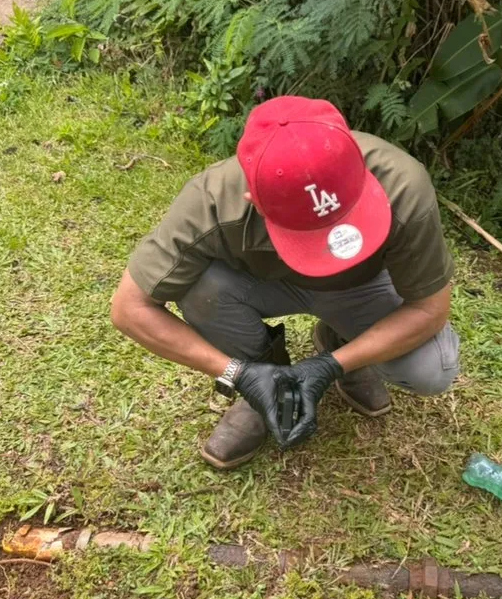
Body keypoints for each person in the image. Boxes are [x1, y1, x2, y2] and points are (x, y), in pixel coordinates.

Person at [110, 96, 460, 469]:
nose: (325, 247)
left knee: (431, 367)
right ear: (254, 201)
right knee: (200, 289)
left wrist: (332, 365)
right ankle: (267, 384)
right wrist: (239, 375)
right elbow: (129, 309)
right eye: (309, 233)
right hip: (262, 285)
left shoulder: (403, 185)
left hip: (361, 288)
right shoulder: (209, 202)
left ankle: (343, 343)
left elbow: (429, 309)